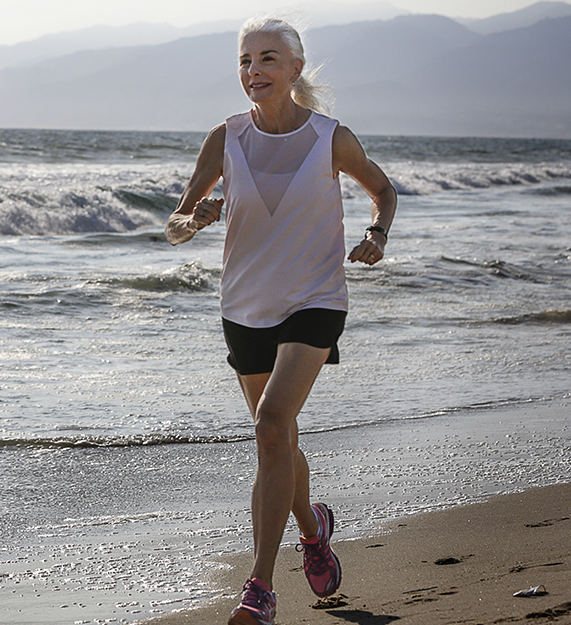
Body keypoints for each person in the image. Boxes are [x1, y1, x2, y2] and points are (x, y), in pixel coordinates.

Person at [164, 15, 397, 625]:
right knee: (277, 438)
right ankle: (313, 527)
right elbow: (176, 222)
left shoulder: (331, 137)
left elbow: (383, 189)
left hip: (316, 298)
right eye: (245, 61)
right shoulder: (225, 137)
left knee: (271, 423)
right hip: (245, 307)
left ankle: (260, 589)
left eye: (267, 59)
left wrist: (376, 234)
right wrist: (195, 221)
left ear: (295, 68)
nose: (253, 71)